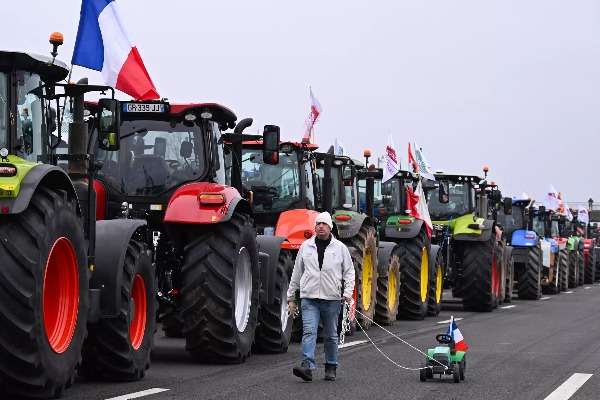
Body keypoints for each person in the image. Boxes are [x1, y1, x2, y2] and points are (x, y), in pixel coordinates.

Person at [287, 211, 355, 382]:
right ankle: (307, 367)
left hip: (331, 299)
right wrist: (291, 298)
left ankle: (331, 366)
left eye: (324, 224)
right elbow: (297, 274)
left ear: (330, 227)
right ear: (315, 227)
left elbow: (349, 273)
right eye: (318, 224)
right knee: (309, 331)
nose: (321, 227)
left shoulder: (340, 248)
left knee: (331, 335)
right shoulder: (305, 247)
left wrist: (347, 293)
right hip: (309, 298)